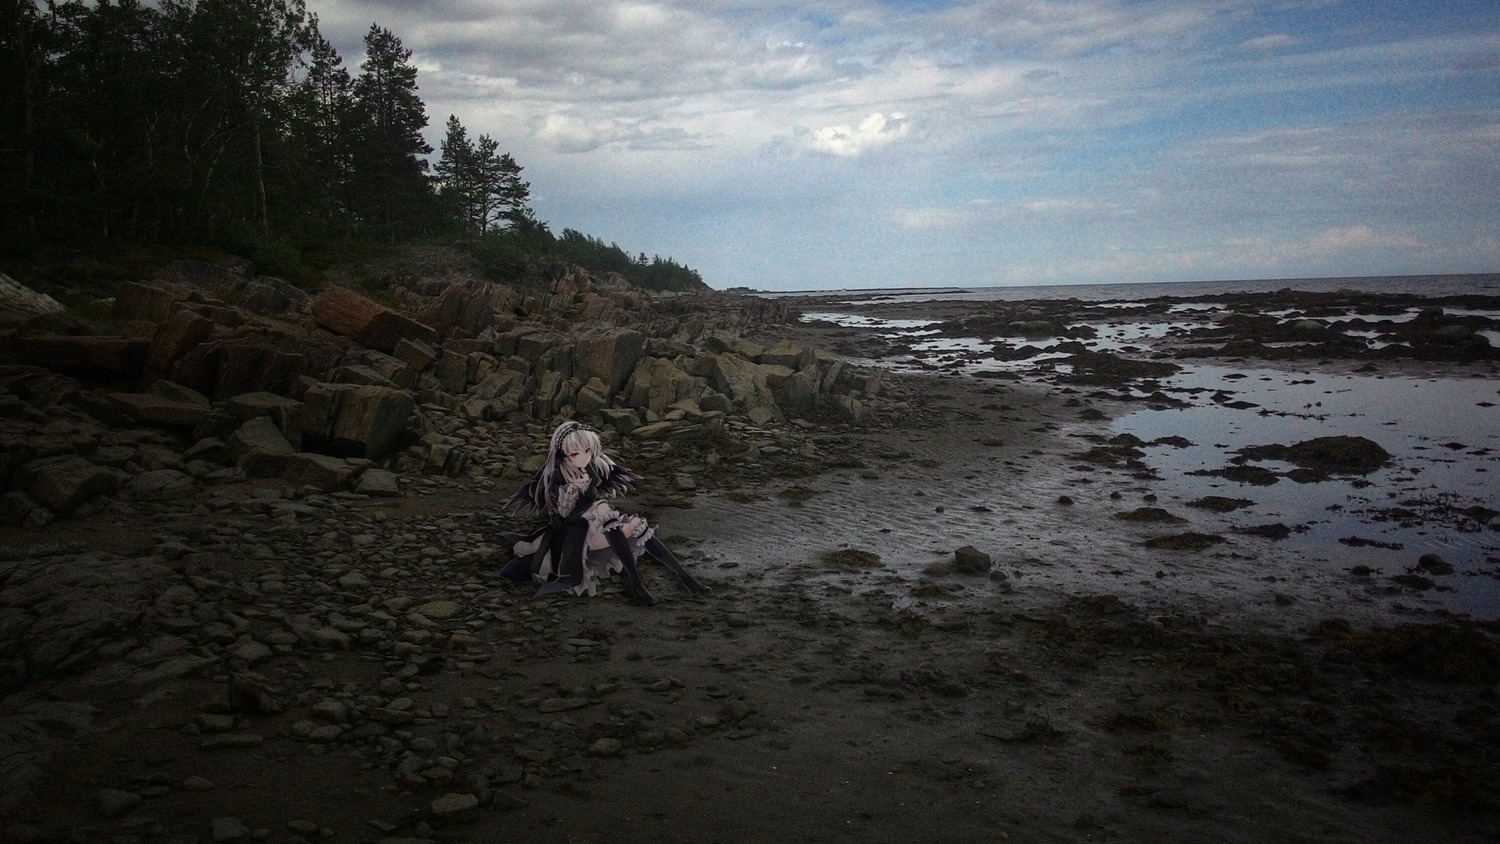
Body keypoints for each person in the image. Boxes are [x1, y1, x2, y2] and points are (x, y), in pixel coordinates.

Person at [496, 421, 710, 605]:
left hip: (598, 527)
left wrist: (588, 494)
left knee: (637, 526)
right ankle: (635, 582)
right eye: (576, 453)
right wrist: (569, 495)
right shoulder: (558, 477)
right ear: (563, 454)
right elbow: (562, 519)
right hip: (574, 535)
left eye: (588, 451)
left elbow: (592, 498)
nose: (584, 457)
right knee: (604, 512)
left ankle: (684, 577)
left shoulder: (591, 471)